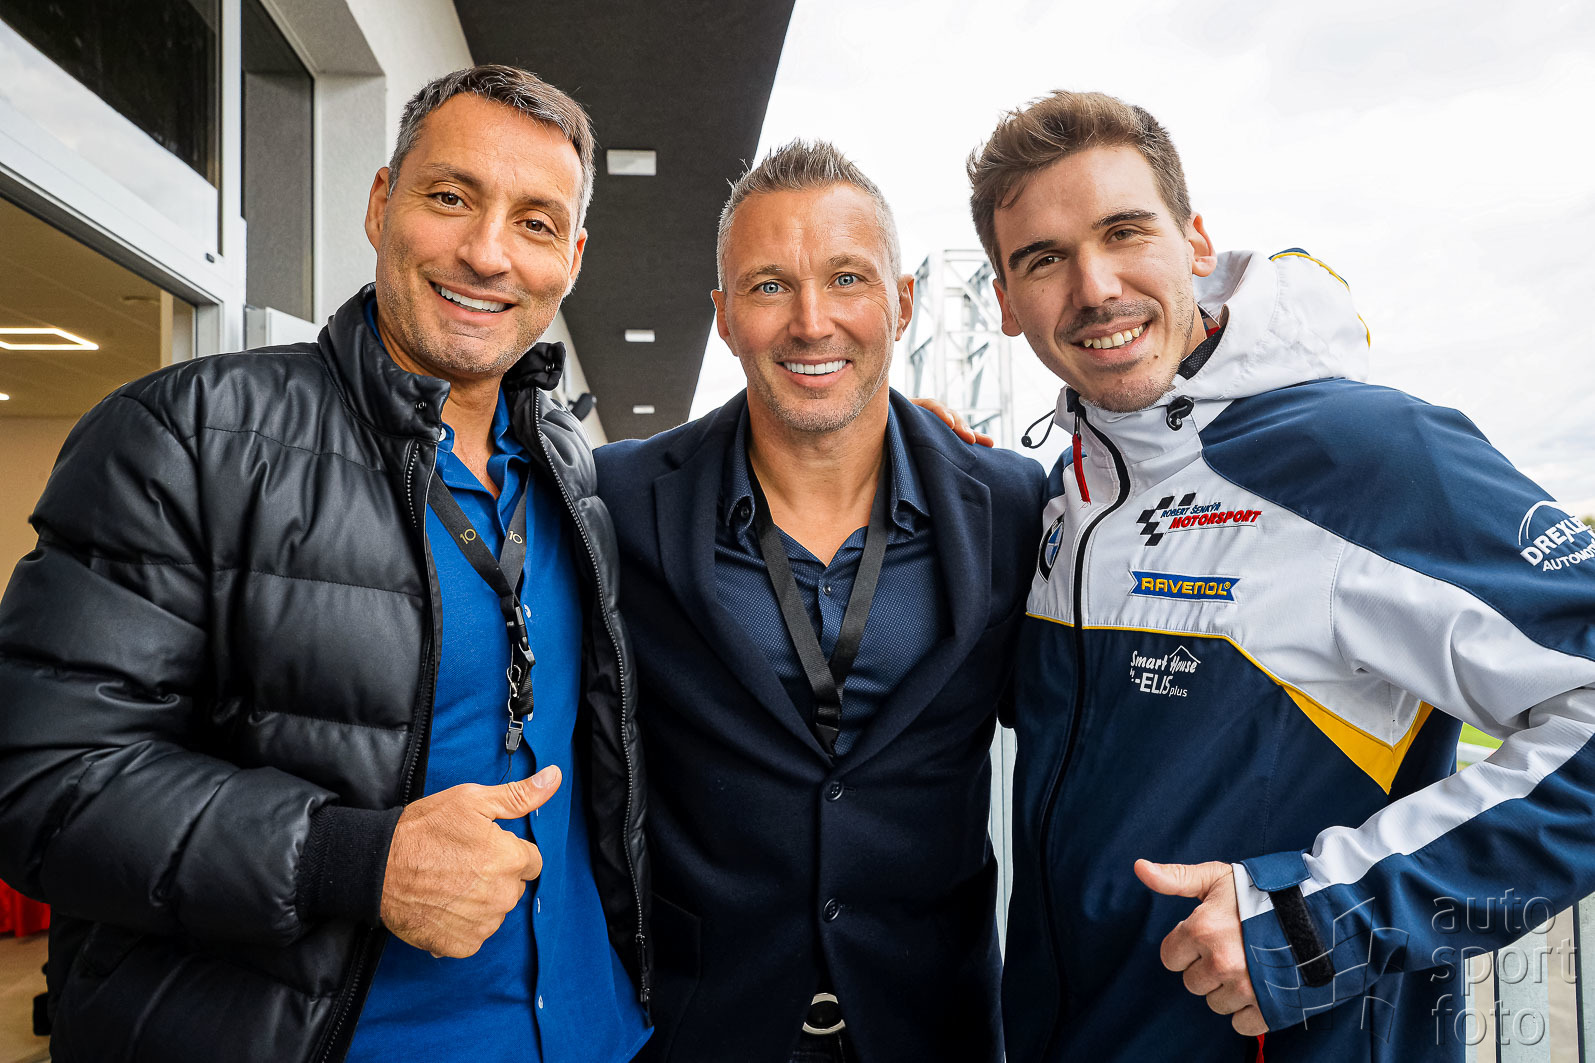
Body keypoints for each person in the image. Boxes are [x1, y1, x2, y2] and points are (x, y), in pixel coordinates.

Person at [0, 65, 650, 1063]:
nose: (487, 253)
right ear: (381, 203)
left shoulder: (573, 475)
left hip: (596, 1035)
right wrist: (354, 860)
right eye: (450, 197)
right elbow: (42, 777)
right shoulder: (188, 438)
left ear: (572, 255)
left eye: (534, 222)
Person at [969, 91, 1595, 1062]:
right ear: (1006, 305)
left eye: (1123, 231)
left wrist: (1317, 919)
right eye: (1042, 259)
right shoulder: (1072, 494)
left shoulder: (1367, 455)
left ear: (1194, 242)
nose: (1093, 287)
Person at [594, 140, 1045, 1062]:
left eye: (846, 278)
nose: (811, 322)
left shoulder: (1009, 505)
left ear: (902, 302)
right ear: (724, 317)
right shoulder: (619, 500)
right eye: (768, 286)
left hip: (935, 1028)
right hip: (697, 1028)